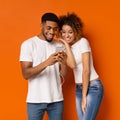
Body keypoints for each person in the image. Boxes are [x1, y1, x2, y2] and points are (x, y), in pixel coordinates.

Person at [19, 12, 68, 120]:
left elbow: (64, 75)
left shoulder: (60, 45)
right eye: (48, 28)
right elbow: (25, 74)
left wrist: (64, 62)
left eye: (55, 29)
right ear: (41, 26)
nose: (52, 32)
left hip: (56, 99)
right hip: (35, 100)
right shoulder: (28, 44)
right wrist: (47, 62)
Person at [58, 13, 104, 120]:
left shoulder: (83, 42)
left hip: (93, 87)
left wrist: (84, 96)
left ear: (76, 31)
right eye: (64, 32)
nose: (67, 35)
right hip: (79, 88)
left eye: (70, 32)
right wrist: (65, 45)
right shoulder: (68, 48)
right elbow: (73, 65)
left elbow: (86, 70)